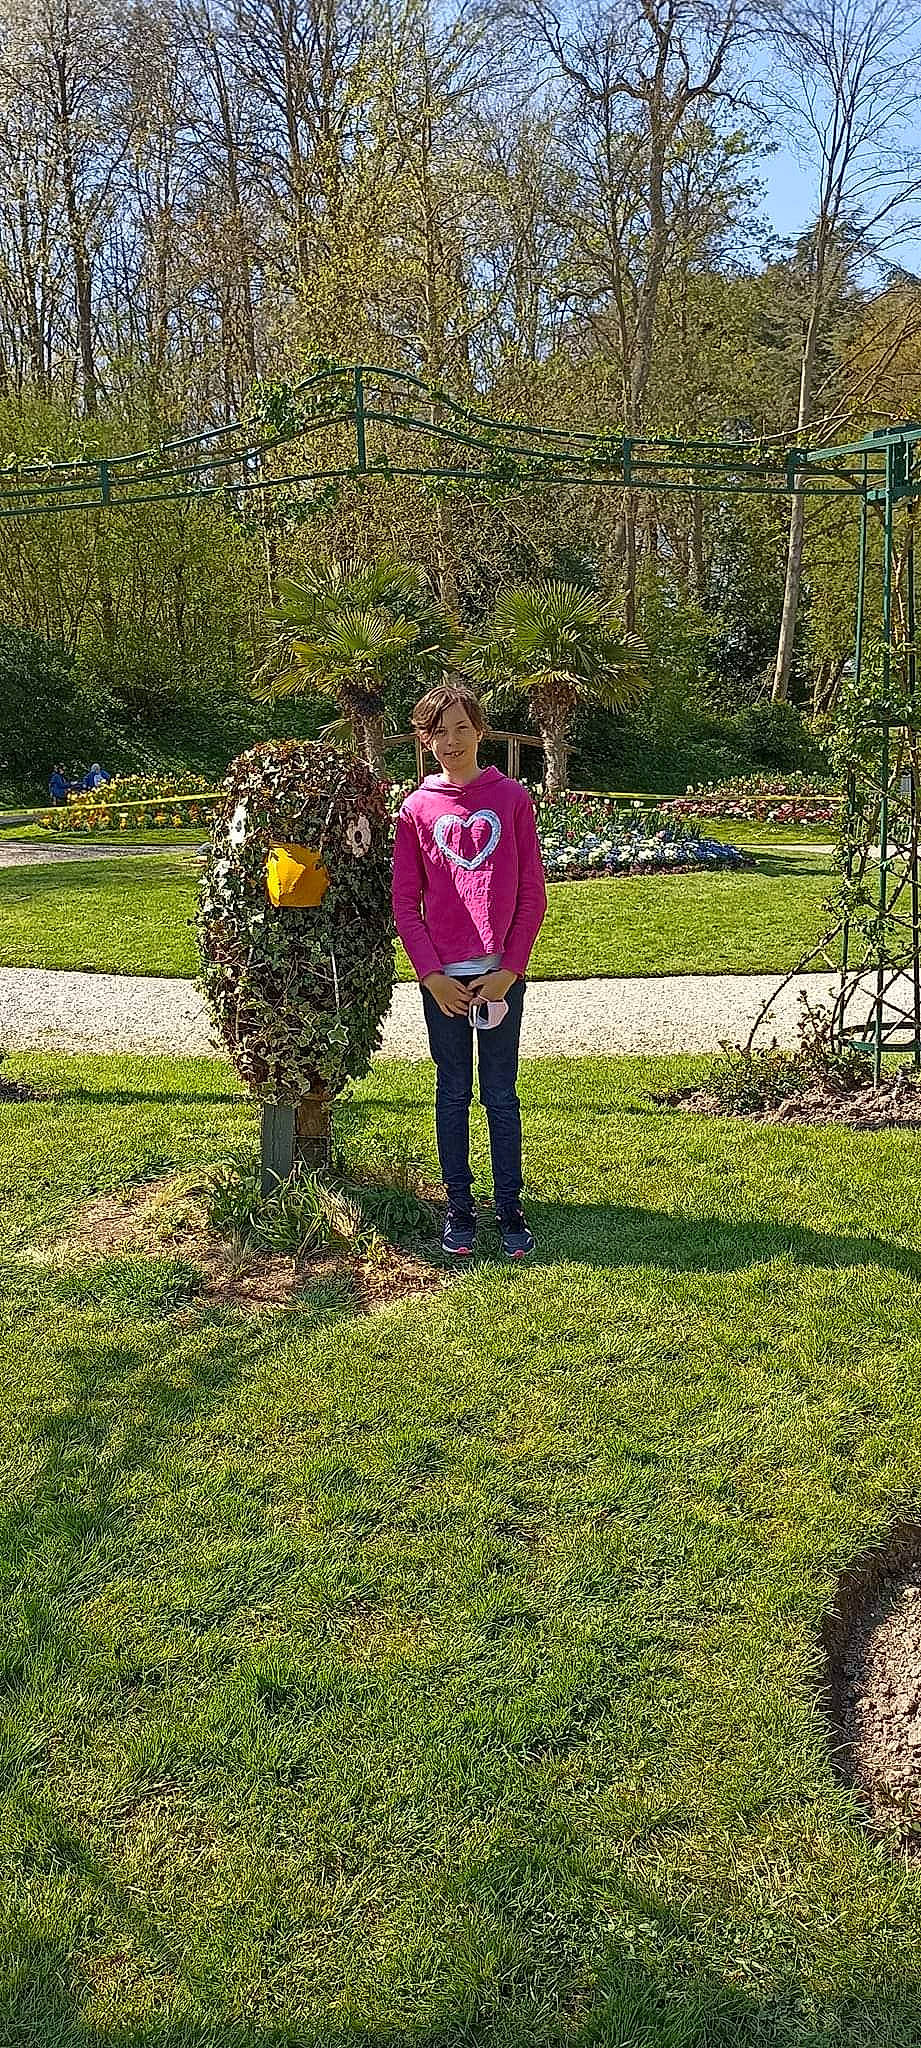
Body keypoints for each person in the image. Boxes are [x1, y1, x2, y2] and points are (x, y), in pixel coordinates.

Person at [392, 680, 547, 1260]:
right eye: (439, 731)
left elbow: (532, 893)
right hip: (444, 983)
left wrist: (511, 968)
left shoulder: (511, 799)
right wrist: (431, 976)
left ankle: (510, 1208)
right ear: (425, 740)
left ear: (481, 732)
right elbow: (406, 904)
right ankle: (460, 1209)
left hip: (500, 977)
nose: (451, 740)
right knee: (453, 1091)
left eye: (462, 728)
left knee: (500, 1094)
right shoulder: (416, 809)